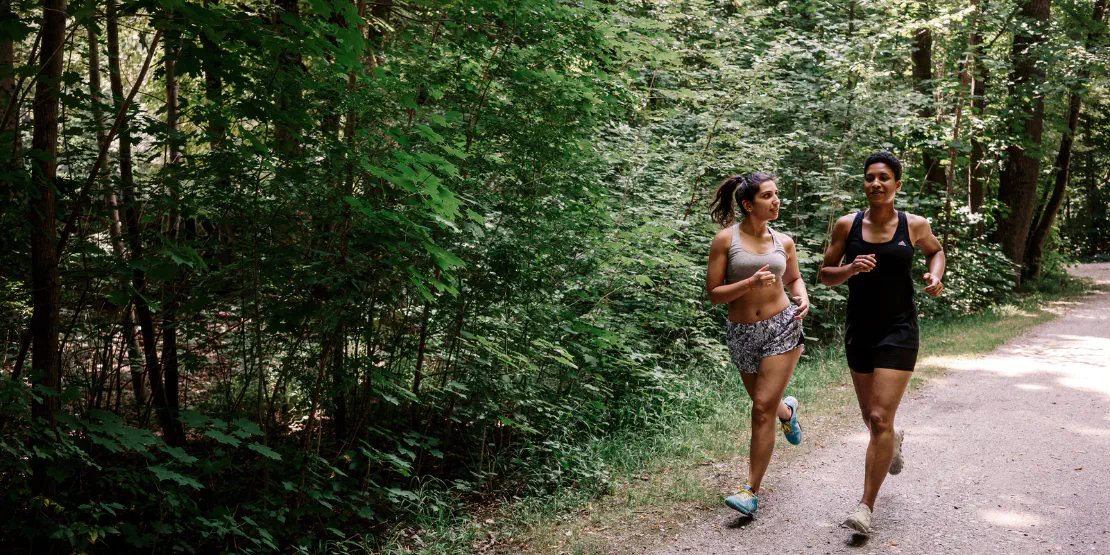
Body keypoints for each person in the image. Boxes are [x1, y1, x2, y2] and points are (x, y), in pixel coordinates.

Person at [819, 152, 945, 535]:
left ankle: (865, 507)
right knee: (871, 420)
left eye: (884, 178)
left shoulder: (914, 225)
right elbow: (825, 275)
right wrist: (850, 268)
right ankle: (893, 444)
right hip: (860, 330)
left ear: (897, 185)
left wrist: (935, 276)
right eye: (870, 178)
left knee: (878, 418)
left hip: (899, 329)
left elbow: (935, 251)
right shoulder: (847, 225)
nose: (876, 183)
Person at [706, 171, 810, 516]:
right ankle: (788, 411)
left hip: (782, 327)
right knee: (767, 406)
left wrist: (802, 296)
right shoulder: (725, 240)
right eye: (767, 196)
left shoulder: (785, 241)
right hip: (742, 334)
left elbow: (794, 278)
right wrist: (748, 283)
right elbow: (715, 295)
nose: (776, 200)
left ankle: (750, 491)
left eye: (777, 194)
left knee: (760, 409)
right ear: (749, 205)